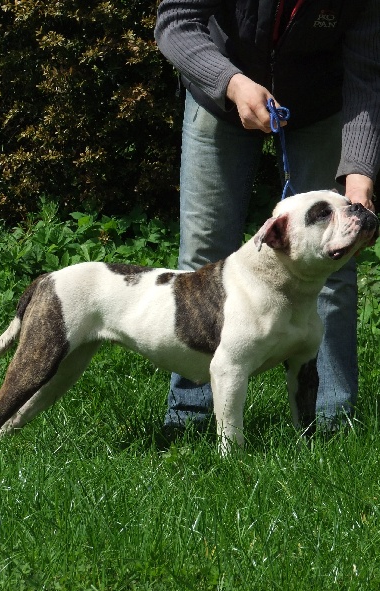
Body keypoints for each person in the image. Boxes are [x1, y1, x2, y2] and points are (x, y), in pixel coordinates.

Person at [154, 0, 380, 440]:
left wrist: (359, 173)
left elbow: (368, 73)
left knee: (333, 257)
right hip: (219, 91)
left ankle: (329, 421)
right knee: (203, 252)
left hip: (320, 103)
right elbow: (175, 21)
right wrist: (231, 83)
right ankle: (189, 418)